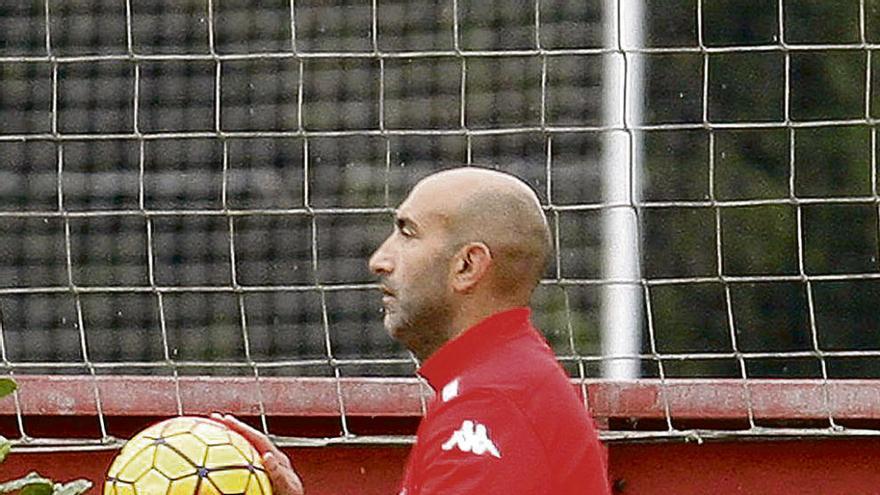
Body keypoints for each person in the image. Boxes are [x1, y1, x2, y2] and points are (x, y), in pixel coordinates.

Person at [213, 167, 610, 494]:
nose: (379, 260)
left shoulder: (489, 404)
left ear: (467, 266)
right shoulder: (498, 382)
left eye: (407, 232)